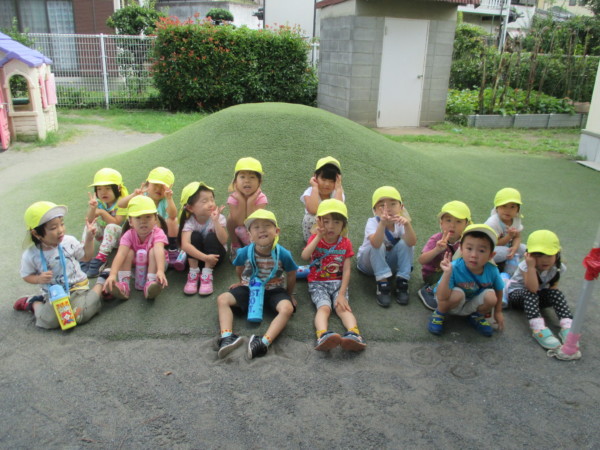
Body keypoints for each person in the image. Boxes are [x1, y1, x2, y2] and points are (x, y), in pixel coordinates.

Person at [216, 210, 298, 360]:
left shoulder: (283, 253)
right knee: (222, 299)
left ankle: (263, 341)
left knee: (287, 309)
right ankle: (227, 336)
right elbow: (239, 267)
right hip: (249, 288)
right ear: (249, 235)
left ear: (277, 231)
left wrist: (289, 294)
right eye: (256, 227)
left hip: (275, 290)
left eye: (267, 226)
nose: (262, 230)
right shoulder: (245, 252)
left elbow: (292, 273)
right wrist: (241, 282)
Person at [14, 201, 103, 329]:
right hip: (54, 295)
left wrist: (89, 238)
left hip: (77, 289)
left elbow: (86, 257)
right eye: (53, 228)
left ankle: (101, 282)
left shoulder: (69, 241)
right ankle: (33, 303)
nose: (60, 230)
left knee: (79, 315)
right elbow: (26, 275)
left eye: (61, 224)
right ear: (36, 233)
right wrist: (38, 279)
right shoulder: (31, 254)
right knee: (49, 322)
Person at [301, 199, 366, 351]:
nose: (331, 226)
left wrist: (342, 294)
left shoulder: (345, 243)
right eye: (326, 221)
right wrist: (318, 236)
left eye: (336, 222)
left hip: (338, 283)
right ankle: (322, 335)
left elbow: (347, 270)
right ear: (319, 222)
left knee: (343, 308)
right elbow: (305, 256)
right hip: (318, 282)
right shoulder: (315, 239)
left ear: (343, 225)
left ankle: (354, 334)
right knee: (324, 308)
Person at [427, 224, 505, 337]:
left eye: (481, 250)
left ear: (491, 255)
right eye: (469, 248)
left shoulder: (492, 270)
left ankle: (476, 316)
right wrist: (447, 273)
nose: (474, 255)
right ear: (461, 249)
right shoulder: (454, 267)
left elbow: (499, 290)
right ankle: (439, 314)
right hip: (451, 303)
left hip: (470, 304)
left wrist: (498, 312)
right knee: (458, 294)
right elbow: (441, 297)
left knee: (491, 297)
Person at [507, 230, 572, 350]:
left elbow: (552, 288)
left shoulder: (558, 267)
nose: (544, 260)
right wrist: (531, 267)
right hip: (518, 296)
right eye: (538, 255)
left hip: (536, 297)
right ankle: (538, 329)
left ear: (557, 254)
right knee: (531, 293)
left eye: (549, 255)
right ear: (529, 255)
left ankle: (568, 325)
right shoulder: (526, 266)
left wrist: (552, 298)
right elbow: (532, 289)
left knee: (556, 293)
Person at [357, 186, 416, 307]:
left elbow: (412, 242)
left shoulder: (401, 223)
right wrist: (382, 224)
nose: (387, 208)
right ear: (374, 211)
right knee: (378, 245)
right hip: (367, 264)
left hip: (389, 265)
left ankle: (402, 280)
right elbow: (375, 243)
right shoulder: (372, 222)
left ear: (401, 207)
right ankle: (382, 283)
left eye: (393, 204)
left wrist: (407, 225)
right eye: (381, 205)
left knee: (406, 243)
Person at [118, 167, 184, 271]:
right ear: (147, 184)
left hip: (157, 237)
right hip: (139, 234)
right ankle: (135, 252)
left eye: (163, 187)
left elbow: (173, 215)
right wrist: (134, 195)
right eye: (155, 185)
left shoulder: (164, 201)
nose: (159, 189)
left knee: (172, 220)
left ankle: (172, 249)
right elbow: (121, 205)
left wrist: (169, 198)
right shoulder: (141, 197)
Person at [104, 195, 168, 300]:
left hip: (157, 266)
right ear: (130, 221)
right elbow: (121, 254)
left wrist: (160, 270)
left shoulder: (158, 233)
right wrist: (112, 274)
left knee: (153, 251)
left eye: (148, 217)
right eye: (138, 217)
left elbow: (159, 250)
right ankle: (124, 284)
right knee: (127, 252)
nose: (143, 221)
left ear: (155, 219)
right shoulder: (128, 235)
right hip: (136, 268)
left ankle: (151, 282)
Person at [417, 201, 471, 311]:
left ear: (466, 224)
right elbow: (421, 260)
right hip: (434, 275)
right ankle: (429, 290)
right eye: (448, 220)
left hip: (453, 273)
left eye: (458, 221)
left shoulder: (466, 241)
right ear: (441, 223)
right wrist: (437, 250)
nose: (452, 225)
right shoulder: (437, 238)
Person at [179, 182, 227, 296]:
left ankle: (207, 274)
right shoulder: (189, 222)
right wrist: (205, 258)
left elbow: (224, 240)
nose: (211, 204)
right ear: (190, 208)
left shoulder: (219, 218)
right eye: (204, 201)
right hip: (199, 258)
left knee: (211, 236)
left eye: (212, 199)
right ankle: (193, 273)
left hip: (215, 258)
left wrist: (216, 222)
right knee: (194, 236)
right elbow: (185, 245)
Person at [82, 168, 128, 278]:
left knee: (111, 226)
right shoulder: (99, 202)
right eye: (99, 189)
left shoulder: (123, 201)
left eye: (108, 188)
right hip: (105, 237)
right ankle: (84, 256)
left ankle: (101, 259)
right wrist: (92, 208)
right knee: (90, 226)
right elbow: (89, 220)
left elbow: (117, 222)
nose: (103, 192)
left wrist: (102, 212)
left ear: (118, 188)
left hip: (122, 238)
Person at [226, 157, 267, 261]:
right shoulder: (233, 198)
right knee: (230, 218)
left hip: (255, 228)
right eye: (242, 177)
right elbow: (240, 222)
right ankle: (235, 244)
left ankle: (254, 246)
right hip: (239, 226)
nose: (247, 181)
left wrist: (250, 202)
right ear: (235, 182)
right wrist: (242, 201)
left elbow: (253, 221)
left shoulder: (261, 198)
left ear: (259, 182)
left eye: (252, 177)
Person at [300, 156, 344, 242]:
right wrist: (315, 187)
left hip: (331, 227)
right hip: (314, 228)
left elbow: (338, 211)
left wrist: (339, 189)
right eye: (323, 179)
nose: (327, 184)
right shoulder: (310, 192)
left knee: (341, 219)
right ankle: (311, 242)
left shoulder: (337, 192)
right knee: (310, 217)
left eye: (332, 181)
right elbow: (313, 210)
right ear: (315, 177)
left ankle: (333, 242)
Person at [484, 187, 526, 275]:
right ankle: (506, 273)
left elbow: (517, 237)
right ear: (497, 208)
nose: (508, 210)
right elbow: (495, 242)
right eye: (504, 206)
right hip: (489, 248)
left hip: (507, 247)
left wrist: (514, 247)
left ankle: (508, 268)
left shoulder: (516, 219)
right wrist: (509, 236)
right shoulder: (493, 222)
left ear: (518, 209)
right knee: (506, 251)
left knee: (523, 248)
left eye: (512, 207)